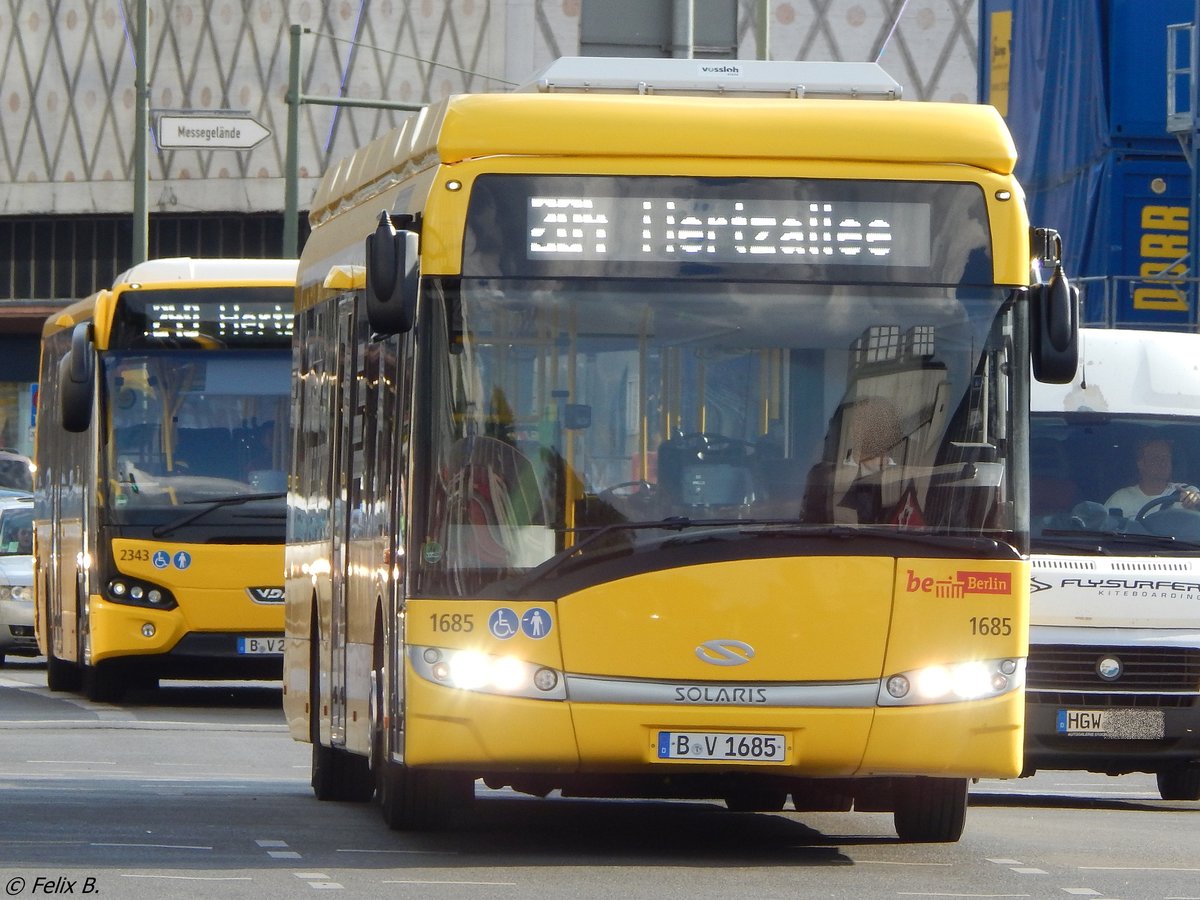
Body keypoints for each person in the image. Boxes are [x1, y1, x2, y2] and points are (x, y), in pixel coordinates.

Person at [1104, 438, 1200, 517]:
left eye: (1166, 457)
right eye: (1156, 458)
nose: (1163, 462)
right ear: (1141, 464)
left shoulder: (1185, 492)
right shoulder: (1121, 499)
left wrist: (1195, 500)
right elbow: (1103, 529)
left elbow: (1194, 496)